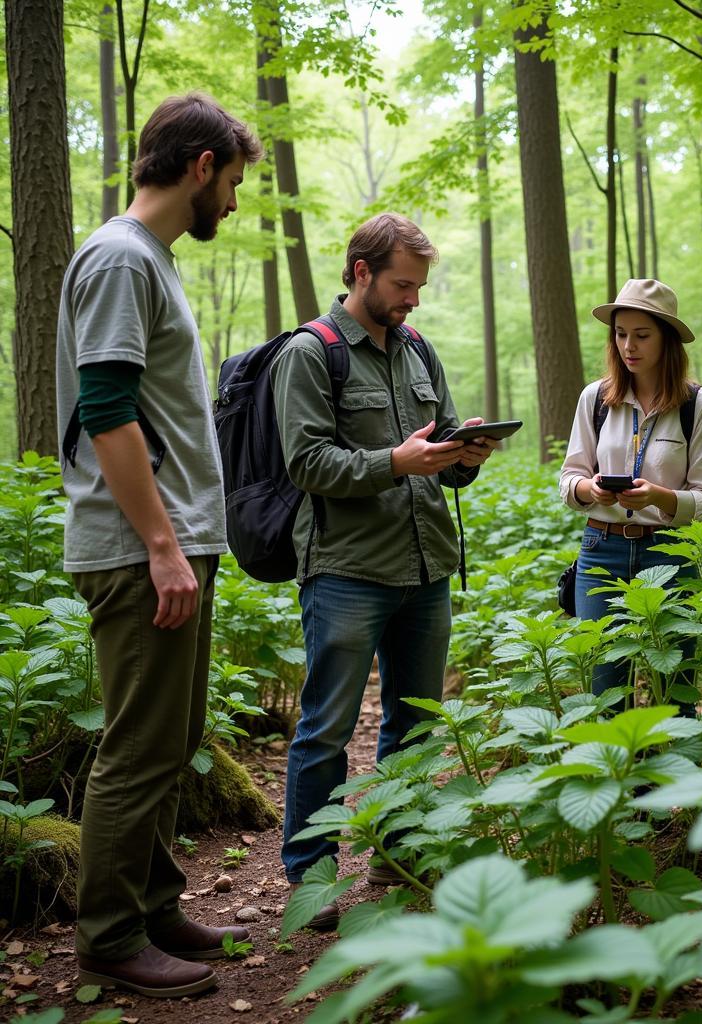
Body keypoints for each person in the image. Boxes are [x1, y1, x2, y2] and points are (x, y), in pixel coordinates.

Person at [56, 93, 262, 998]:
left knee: (172, 739)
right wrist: (162, 546)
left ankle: (154, 906)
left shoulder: (150, 262)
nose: (235, 204)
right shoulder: (117, 259)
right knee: (139, 746)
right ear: (203, 167)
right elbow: (105, 413)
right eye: (236, 184)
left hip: (171, 541)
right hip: (140, 547)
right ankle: (106, 937)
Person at [271, 212, 498, 927]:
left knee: (415, 722)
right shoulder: (310, 354)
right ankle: (311, 879)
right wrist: (394, 461)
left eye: (421, 286)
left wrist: (464, 458)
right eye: (404, 284)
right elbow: (305, 463)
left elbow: (442, 450)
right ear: (361, 271)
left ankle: (400, 850)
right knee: (327, 730)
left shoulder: (419, 349)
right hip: (345, 570)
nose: (414, 300)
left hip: (426, 564)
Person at [559, 278, 702, 707]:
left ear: (667, 339)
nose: (628, 346)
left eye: (642, 335)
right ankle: (621, 773)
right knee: (605, 686)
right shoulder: (595, 399)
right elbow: (569, 479)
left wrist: (659, 497)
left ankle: (674, 773)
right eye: (620, 334)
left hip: (670, 553)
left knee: (677, 687)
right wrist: (590, 489)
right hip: (601, 551)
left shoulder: (698, 407)